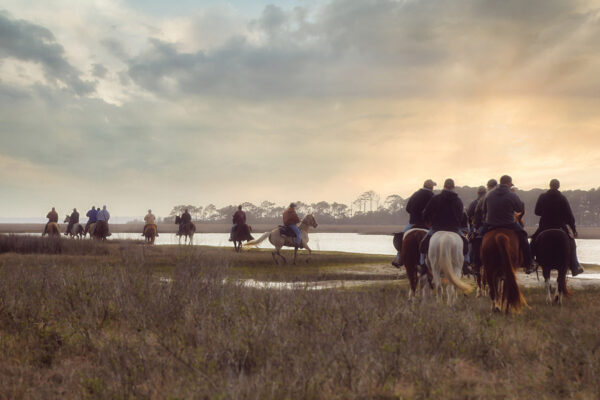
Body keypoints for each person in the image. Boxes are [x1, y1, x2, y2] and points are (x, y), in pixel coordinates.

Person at [531, 179, 583, 276]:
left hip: (544, 226)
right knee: (572, 244)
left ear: (550, 186)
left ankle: (531, 263)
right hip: (559, 226)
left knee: (533, 241)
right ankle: (575, 266)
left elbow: (536, 212)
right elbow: (569, 216)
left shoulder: (542, 197)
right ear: (558, 186)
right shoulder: (562, 198)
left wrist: (545, 212)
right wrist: (574, 229)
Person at [480, 175, 533, 272]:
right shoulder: (512, 195)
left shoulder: (489, 194)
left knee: (478, 238)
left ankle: (476, 262)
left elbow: (484, 210)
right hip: (509, 224)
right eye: (510, 184)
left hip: (491, 224)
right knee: (524, 236)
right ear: (509, 183)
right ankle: (528, 263)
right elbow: (520, 209)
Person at [418, 178, 470, 274]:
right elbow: (462, 216)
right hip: (454, 229)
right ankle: (466, 264)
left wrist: (428, 222)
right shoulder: (458, 200)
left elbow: (425, 212)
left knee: (423, 244)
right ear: (454, 187)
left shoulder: (435, 198)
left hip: (436, 228)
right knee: (466, 244)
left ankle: (422, 264)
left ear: (444, 186)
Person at [392, 179, 437, 267]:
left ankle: (399, 257)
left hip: (413, 223)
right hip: (427, 224)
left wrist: (414, 213)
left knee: (402, 236)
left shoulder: (415, 194)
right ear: (431, 187)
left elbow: (408, 209)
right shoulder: (432, 196)